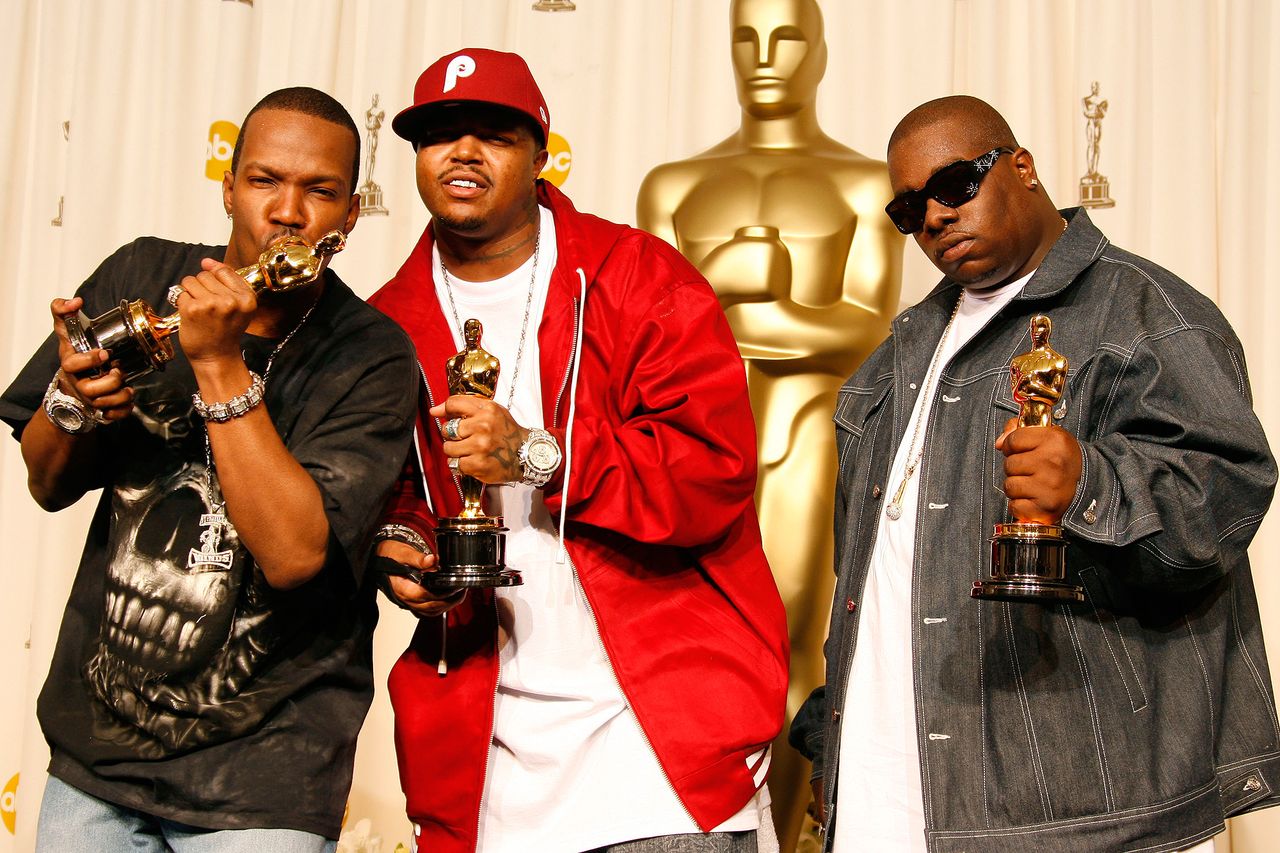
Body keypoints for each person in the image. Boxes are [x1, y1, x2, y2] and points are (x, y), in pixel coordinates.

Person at [789, 94, 1279, 852]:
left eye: (955, 185)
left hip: (1072, 808)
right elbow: (871, 574)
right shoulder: (899, 353)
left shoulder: (1144, 313)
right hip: (888, 799)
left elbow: (1222, 505)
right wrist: (837, 737)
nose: (936, 218)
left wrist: (1089, 485)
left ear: (1022, 167)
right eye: (910, 208)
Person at [367, 48, 789, 853]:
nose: (462, 153)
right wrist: (401, 548)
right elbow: (394, 501)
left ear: (541, 152)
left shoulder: (635, 277)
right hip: (485, 767)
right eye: (438, 135)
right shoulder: (386, 322)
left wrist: (536, 453)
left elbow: (712, 472)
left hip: (656, 754)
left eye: (493, 133)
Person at [0, 87, 419, 852]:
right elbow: (47, 482)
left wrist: (220, 362)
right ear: (228, 186)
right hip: (95, 761)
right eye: (264, 180)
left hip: (262, 784)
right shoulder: (140, 273)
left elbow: (294, 557)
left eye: (319, 190)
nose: (288, 211)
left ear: (351, 215)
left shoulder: (373, 355)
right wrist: (73, 402)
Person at [635, 2, 902, 841]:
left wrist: (733, 296)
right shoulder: (673, 185)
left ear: (820, 52)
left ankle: (789, 839)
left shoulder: (864, 182)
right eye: (746, 38)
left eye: (787, 37)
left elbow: (866, 327)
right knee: (677, 645)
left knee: (790, 643)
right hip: (680, 445)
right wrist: (776, 302)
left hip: (803, 434)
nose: (765, 56)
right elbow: (645, 337)